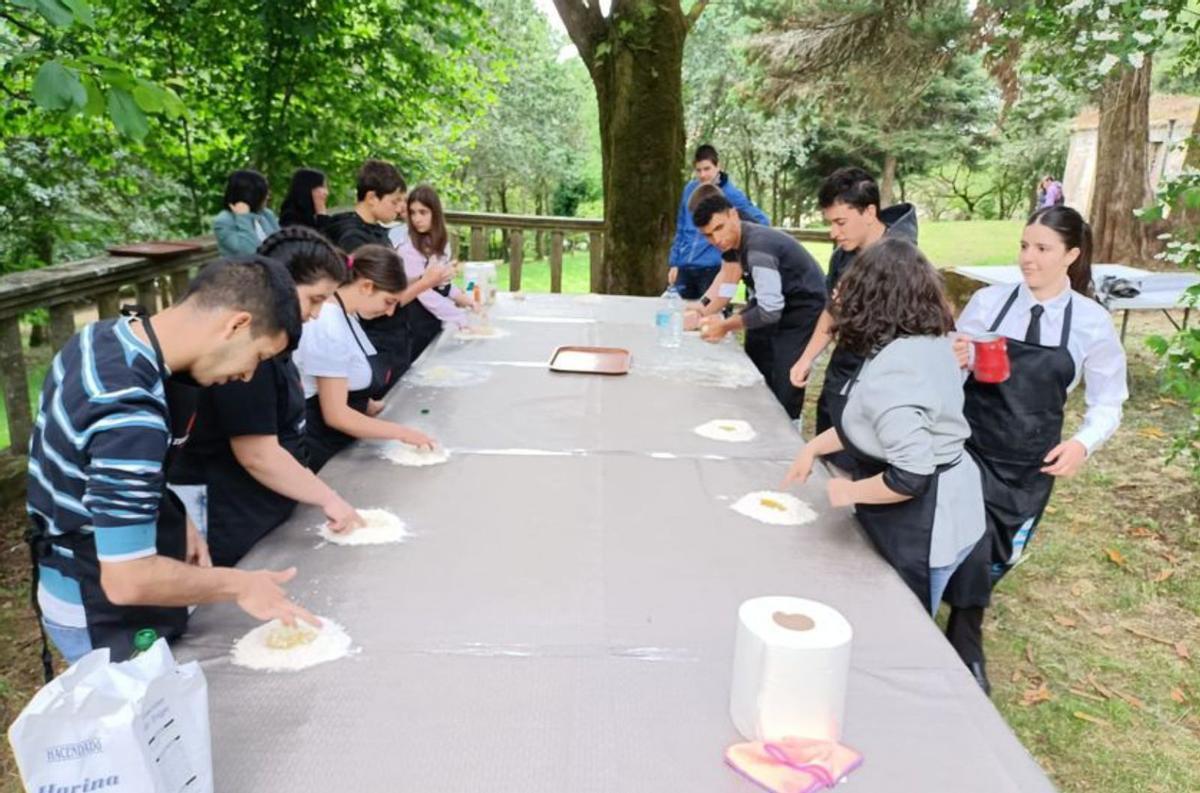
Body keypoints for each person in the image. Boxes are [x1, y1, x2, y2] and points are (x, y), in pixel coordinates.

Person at [26, 257, 318, 667]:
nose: (248, 376)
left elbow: (97, 468)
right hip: (95, 607)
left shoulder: (102, 336)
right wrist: (239, 585)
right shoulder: (130, 413)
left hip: (69, 573)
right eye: (258, 356)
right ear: (236, 325)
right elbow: (128, 580)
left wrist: (174, 516)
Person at [943, 205, 1127, 694]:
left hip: (1030, 459)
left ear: (1071, 255)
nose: (1028, 258)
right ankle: (965, 637)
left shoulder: (1091, 323)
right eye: (1024, 246)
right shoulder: (987, 305)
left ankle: (962, 604)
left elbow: (1110, 400)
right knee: (969, 534)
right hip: (971, 443)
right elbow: (950, 373)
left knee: (997, 554)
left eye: (1042, 249)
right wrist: (953, 356)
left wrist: (1083, 445)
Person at [784, 238, 985, 616]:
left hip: (927, 520)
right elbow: (871, 422)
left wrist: (850, 490)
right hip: (959, 499)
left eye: (851, 288)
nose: (840, 296)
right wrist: (813, 448)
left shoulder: (898, 371)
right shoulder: (926, 339)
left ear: (874, 299)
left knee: (904, 622)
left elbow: (911, 477)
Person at [168, 228, 364, 567]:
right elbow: (257, 454)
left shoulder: (275, 346)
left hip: (263, 508)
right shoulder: (243, 353)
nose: (317, 313)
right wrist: (328, 499)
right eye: (315, 299)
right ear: (281, 285)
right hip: (230, 513)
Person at [789, 168, 918, 467]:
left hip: (878, 388)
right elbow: (831, 311)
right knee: (827, 461)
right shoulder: (841, 256)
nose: (834, 232)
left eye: (840, 222)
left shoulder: (905, 261)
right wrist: (807, 358)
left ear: (869, 212)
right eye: (830, 223)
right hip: (840, 376)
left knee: (855, 472)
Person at [295, 244, 436, 471]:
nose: (390, 312)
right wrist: (402, 433)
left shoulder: (348, 315)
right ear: (367, 286)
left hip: (343, 439)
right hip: (320, 446)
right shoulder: (327, 325)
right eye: (389, 301)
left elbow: (346, 378)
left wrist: (369, 404)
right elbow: (336, 414)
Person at [687, 192, 826, 420]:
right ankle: (755, 420)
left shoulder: (759, 248)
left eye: (719, 228)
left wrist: (725, 325)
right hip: (771, 303)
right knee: (754, 363)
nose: (716, 240)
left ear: (733, 215)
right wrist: (702, 308)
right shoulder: (731, 246)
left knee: (785, 377)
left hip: (802, 310)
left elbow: (770, 310)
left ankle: (789, 433)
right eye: (708, 236)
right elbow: (727, 285)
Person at [667, 144, 769, 300]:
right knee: (682, 315)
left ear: (718, 167)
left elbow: (761, 221)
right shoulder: (690, 190)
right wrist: (675, 262)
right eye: (698, 170)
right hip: (685, 267)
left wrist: (729, 246)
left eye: (707, 169)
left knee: (711, 312)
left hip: (712, 269)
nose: (703, 175)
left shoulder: (731, 194)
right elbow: (681, 227)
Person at [390, 184, 476, 360]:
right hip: (411, 323)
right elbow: (424, 292)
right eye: (412, 212)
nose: (416, 219)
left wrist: (470, 303)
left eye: (423, 212)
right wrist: (458, 316)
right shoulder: (408, 249)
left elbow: (442, 285)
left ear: (435, 213)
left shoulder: (441, 244)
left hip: (431, 320)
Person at [323, 159, 406, 252]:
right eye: (394, 202)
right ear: (372, 198)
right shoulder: (352, 239)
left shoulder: (376, 232)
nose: (399, 209)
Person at [213, 170, 281, 257]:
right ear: (250, 195)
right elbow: (249, 252)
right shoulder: (224, 221)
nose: (268, 197)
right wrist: (243, 217)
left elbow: (282, 243)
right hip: (242, 269)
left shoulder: (266, 214)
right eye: (264, 193)